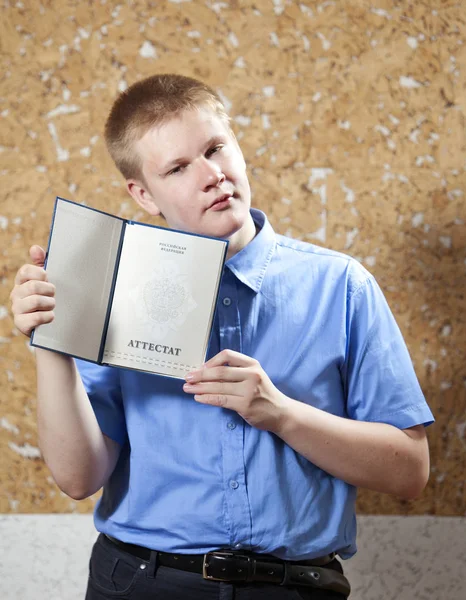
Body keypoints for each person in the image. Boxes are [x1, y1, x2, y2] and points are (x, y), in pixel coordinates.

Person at [10, 74, 434, 600]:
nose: (212, 175)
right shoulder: (111, 289)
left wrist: (280, 412)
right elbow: (78, 478)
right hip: (141, 583)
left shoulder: (342, 286)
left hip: (296, 588)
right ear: (143, 193)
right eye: (178, 168)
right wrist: (50, 342)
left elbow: (410, 472)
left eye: (216, 148)